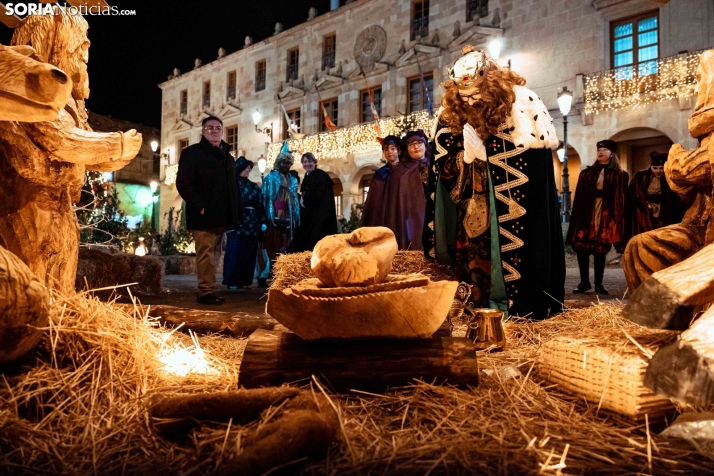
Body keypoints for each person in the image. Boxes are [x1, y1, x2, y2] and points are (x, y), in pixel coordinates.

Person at [425, 45, 565, 320]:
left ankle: (511, 305)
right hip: (470, 211)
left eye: (476, 94)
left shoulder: (521, 106)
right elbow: (442, 172)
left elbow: (530, 175)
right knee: (471, 258)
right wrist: (465, 158)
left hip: (508, 215)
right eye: (464, 96)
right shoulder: (449, 114)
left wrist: (488, 157)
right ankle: (473, 305)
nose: (470, 101)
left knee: (503, 256)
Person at [176, 116, 242, 304]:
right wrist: (200, 207)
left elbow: (234, 188)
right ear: (203, 131)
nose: (214, 130)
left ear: (222, 131)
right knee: (205, 254)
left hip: (222, 216)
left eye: (218, 128)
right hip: (203, 215)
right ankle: (205, 291)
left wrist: (236, 212)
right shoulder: (192, 153)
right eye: (210, 128)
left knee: (215, 254)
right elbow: (183, 183)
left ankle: (209, 289)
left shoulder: (228, 158)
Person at [566, 140, 629, 295]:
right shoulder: (586, 173)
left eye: (605, 149)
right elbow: (579, 197)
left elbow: (622, 199)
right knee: (582, 248)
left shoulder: (620, 175)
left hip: (605, 216)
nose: (600, 152)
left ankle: (599, 284)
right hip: (586, 215)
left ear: (612, 154)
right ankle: (584, 282)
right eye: (599, 150)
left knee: (600, 249)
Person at [360, 135, 426, 250]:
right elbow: (374, 199)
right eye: (386, 149)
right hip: (385, 211)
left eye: (393, 149)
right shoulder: (381, 173)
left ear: (399, 151)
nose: (389, 152)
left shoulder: (405, 170)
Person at [622, 151, 683, 248]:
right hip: (643, 213)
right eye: (655, 168)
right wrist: (644, 205)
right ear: (651, 166)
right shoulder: (640, 177)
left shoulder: (669, 178)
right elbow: (633, 196)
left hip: (664, 212)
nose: (658, 171)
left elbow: (675, 198)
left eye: (661, 168)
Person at [223, 157, 266, 289]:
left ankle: (245, 280)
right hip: (237, 224)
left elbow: (260, 205)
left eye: (249, 168)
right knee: (234, 253)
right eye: (246, 168)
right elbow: (227, 205)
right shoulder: (231, 186)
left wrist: (263, 222)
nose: (248, 170)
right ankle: (232, 281)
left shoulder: (254, 187)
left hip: (252, 224)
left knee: (249, 253)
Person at [289, 153, 338, 251]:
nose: (307, 164)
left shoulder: (320, 176)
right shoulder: (308, 176)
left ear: (315, 162)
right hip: (311, 214)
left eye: (310, 161)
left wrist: (305, 199)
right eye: (305, 162)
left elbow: (318, 196)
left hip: (319, 216)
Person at [262, 142, 300, 269]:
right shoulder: (270, 178)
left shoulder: (293, 180)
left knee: (287, 242)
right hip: (275, 213)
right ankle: (272, 270)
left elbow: (294, 198)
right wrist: (269, 216)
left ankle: (284, 269)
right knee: (274, 242)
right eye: (284, 163)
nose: (286, 165)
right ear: (279, 163)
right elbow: (266, 197)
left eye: (289, 163)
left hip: (289, 214)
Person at [404, 129, 431, 198]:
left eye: (419, 143)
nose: (416, 147)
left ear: (425, 146)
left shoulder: (435, 165)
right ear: (407, 150)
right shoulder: (401, 171)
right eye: (411, 144)